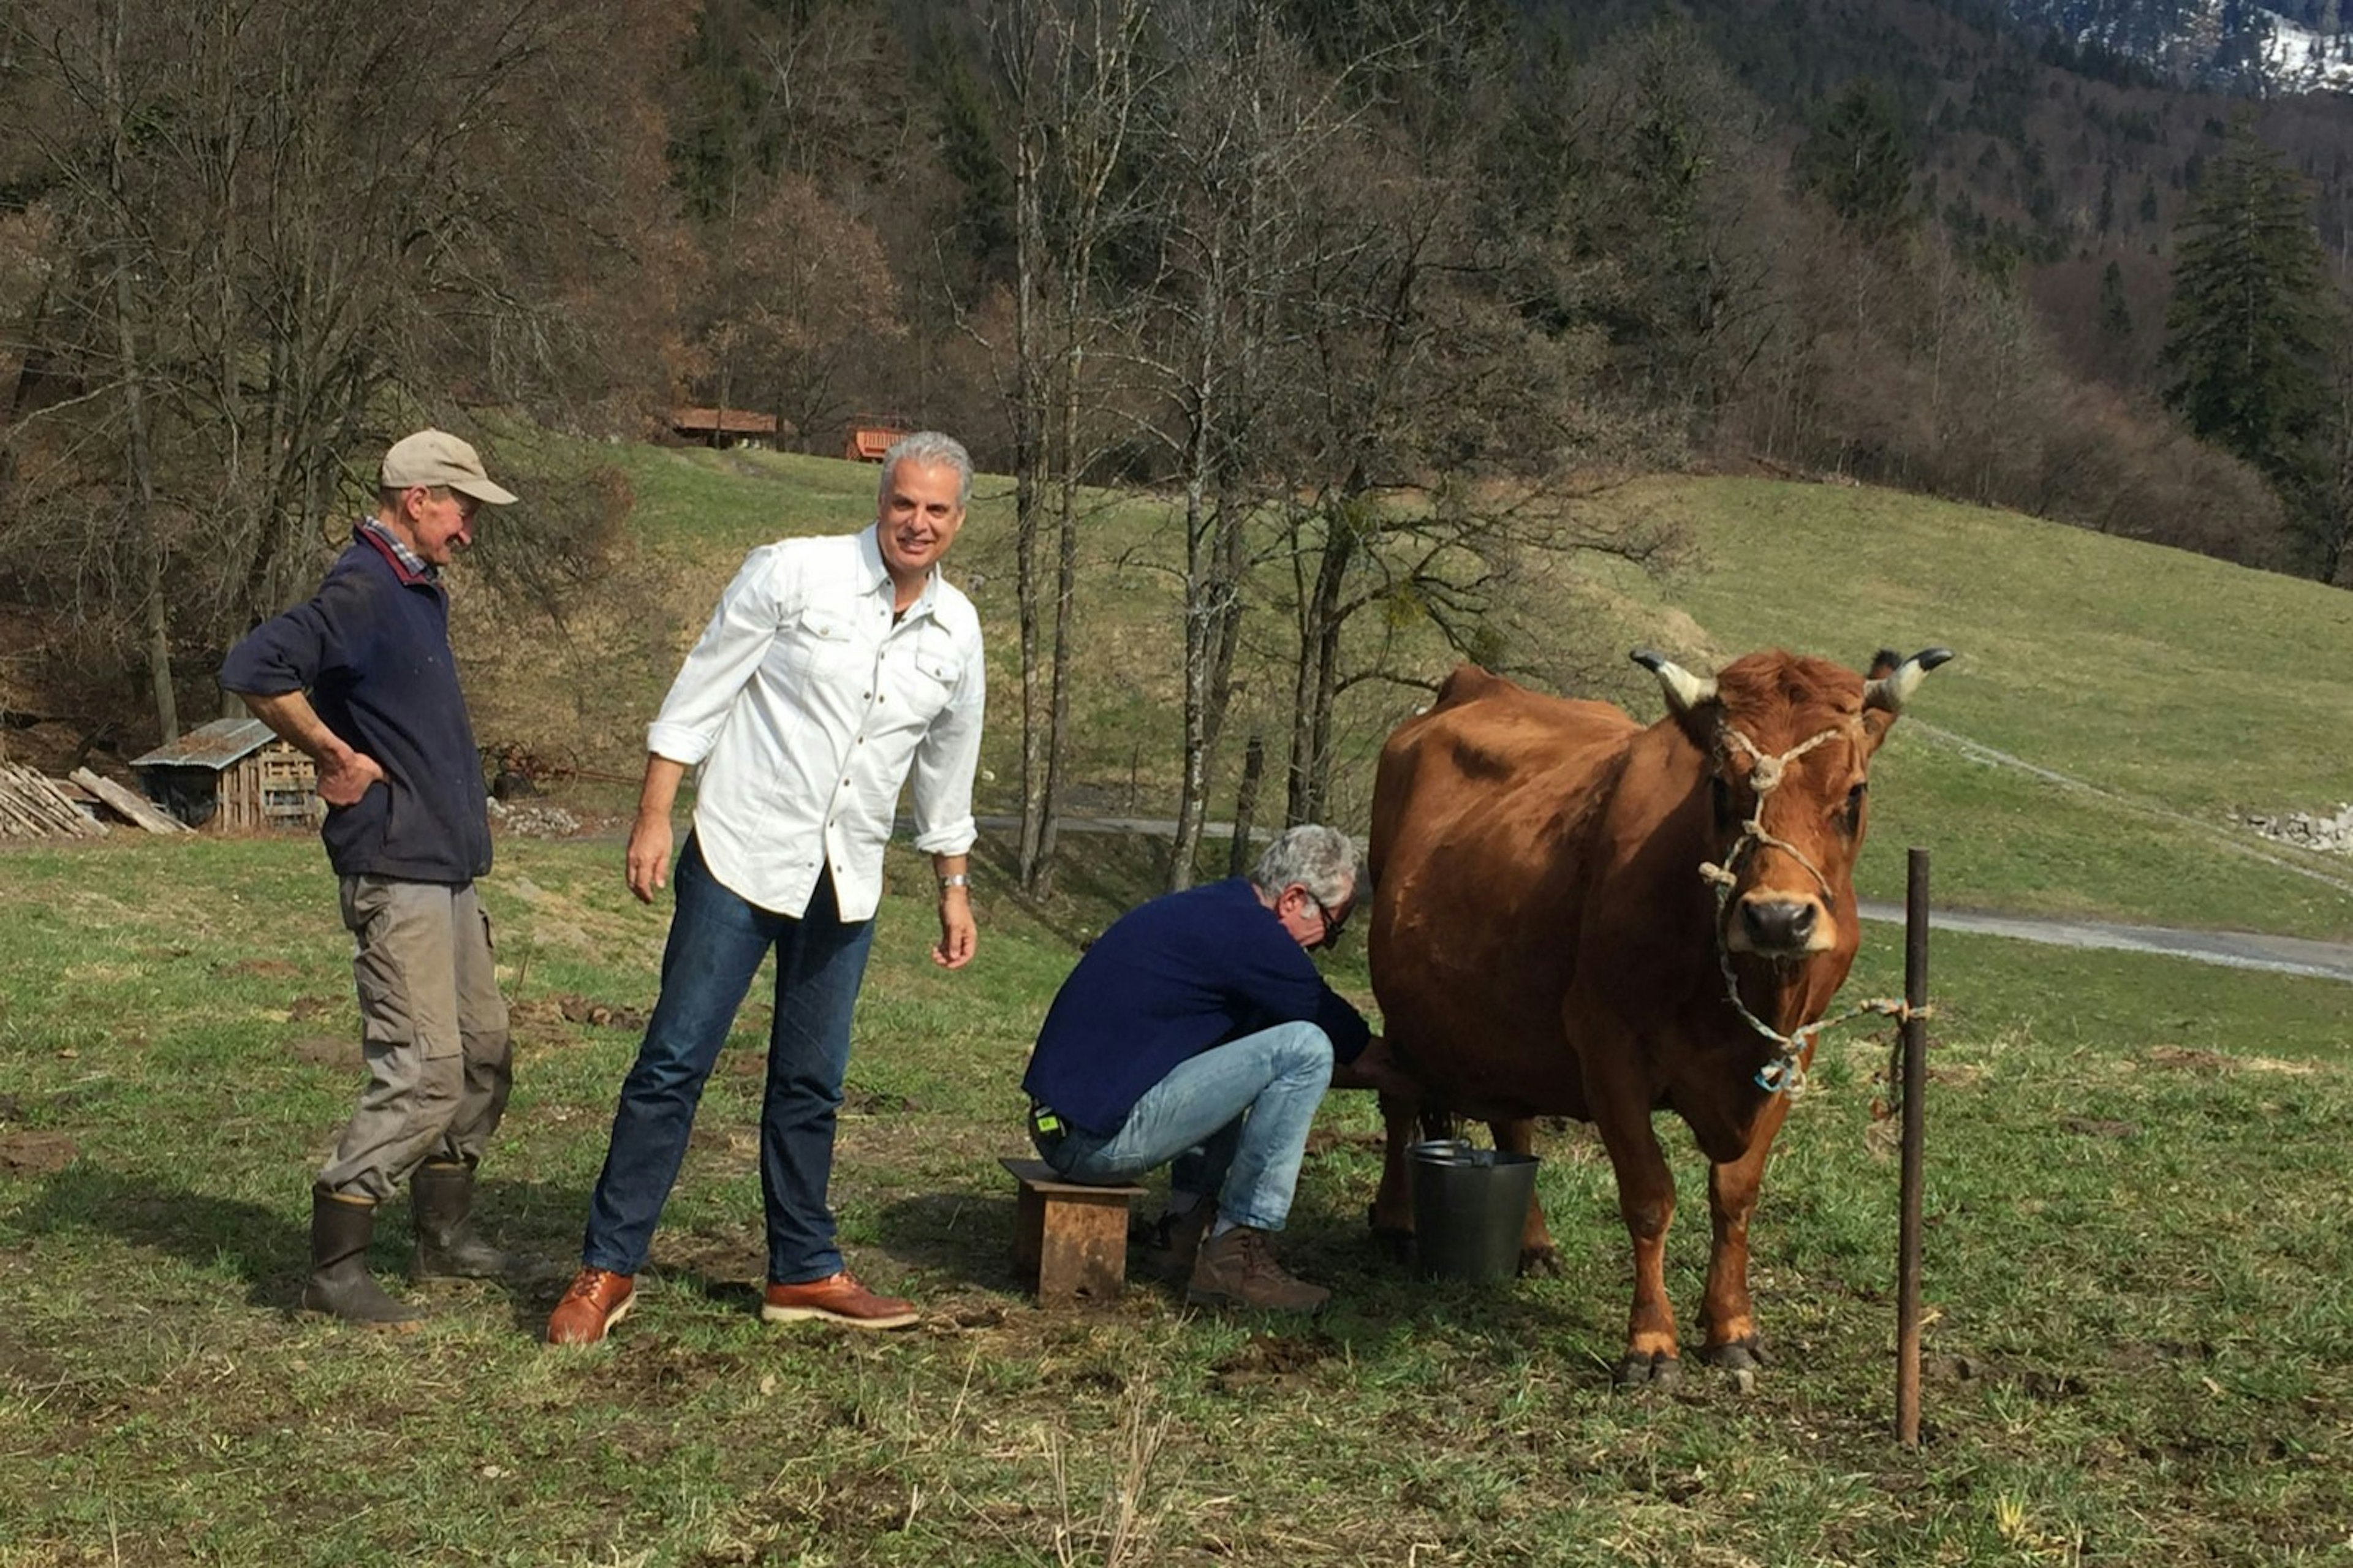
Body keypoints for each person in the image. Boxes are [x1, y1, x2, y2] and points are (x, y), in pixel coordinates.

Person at [547, 431, 986, 1346]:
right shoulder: (795, 573)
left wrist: (954, 883)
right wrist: (655, 812)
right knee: (672, 1063)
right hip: (741, 854)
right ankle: (607, 1266)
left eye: (936, 509)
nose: (917, 521)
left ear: (958, 519)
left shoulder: (958, 631)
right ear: (881, 498)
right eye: (904, 502)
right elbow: (701, 687)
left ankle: (803, 1268)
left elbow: (948, 766)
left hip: (847, 878)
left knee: (811, 1081)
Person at [219, 428, 523, 1329]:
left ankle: (445, 1236)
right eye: (462, 509)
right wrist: (329, 749)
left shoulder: (415, 592)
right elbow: (254, 667)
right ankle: (336, 1266)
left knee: (483, 1054)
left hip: (449, 869)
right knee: (427, 1068)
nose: (467, 531)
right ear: (418, 496)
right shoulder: (360, 588)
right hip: (397, 870)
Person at [1020, 824, 1404, 1312]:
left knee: (1245, 1043)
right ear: (1293, 899)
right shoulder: (1260, 942)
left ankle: (1182, 1227)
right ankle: (1239, 1253)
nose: (1324, 946)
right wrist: (1439, 1085)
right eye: (1332, 928)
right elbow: (1357, 1052)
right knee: (1304, 1047)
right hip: (1093, 1143)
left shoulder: (1218, 912)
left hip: (1059, 1125)